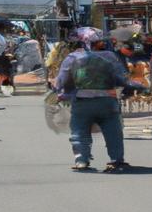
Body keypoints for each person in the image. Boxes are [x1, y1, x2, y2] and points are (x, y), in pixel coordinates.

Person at [54, 29, 130, 173]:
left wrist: (62, 93)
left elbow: (61, 81)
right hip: (108, 101)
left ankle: (82, 160)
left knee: (79, 130)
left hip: (82, 101)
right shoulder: (110, 56)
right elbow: (121, 78)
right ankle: (116, 159)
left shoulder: (72, 57)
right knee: (113, 131)